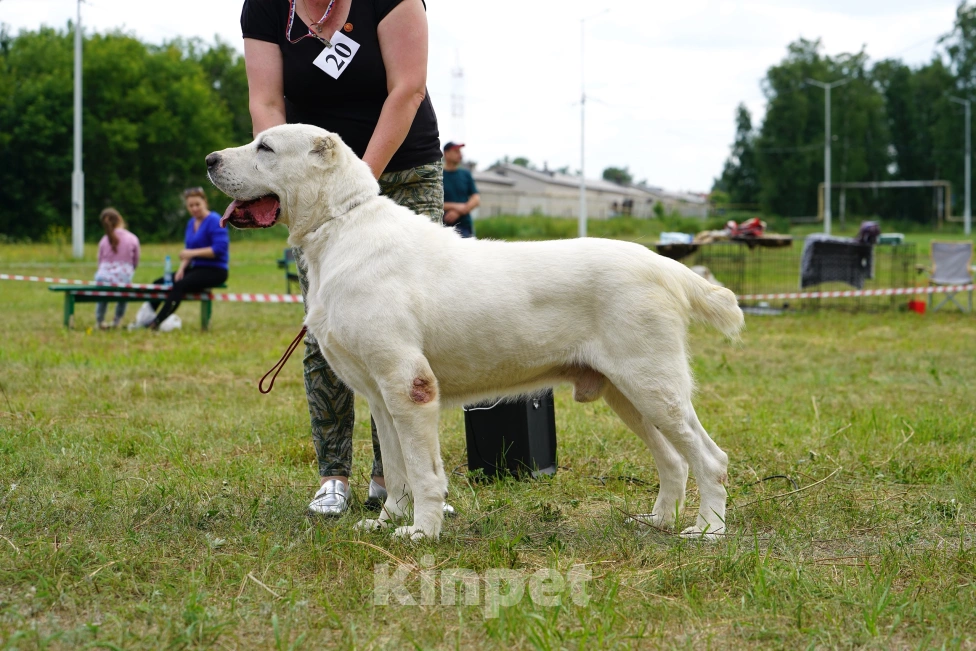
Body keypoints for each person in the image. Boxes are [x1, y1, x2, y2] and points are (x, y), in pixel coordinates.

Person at [241, 0, 451, 516]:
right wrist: (271, 177)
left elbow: (409, 89)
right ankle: (333, 476)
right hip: (309, 184)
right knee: (326, 327)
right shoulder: (266, 8)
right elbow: (266, 104)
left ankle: (397, 484)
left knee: (407, 333)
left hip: (400, 166)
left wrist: (359, 184)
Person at [144, 188, 229, 329]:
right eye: (191, 206)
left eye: (197, 204)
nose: (194, 208)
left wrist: (192, 253)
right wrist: (181, 269)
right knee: (159, 282)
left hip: (215, 270)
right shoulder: (191, 223)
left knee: (180, 285)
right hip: (195, 268)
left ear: (205, 203)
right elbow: (188, 251)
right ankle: (145, 317)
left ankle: (156, 323)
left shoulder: (215, 220)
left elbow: (219, 249)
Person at [94, 208, 140, 329]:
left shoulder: (104, 240)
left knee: (102, 295)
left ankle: (100, 320)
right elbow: (136, 260)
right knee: (124, 293)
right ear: (120, 219)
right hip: (123, 277)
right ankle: (117, 319)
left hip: (103, 277)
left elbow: (100, 261)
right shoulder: (132, 238)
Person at [442, 142, 480, 238]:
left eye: (460, 151)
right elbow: (433, 202)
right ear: (446, 153)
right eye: (456, 151)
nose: (460, 154)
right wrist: (455, 206)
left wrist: (459, 211)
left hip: (464, 227)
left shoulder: (465, 174)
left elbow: (476, 199)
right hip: (442, 227)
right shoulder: (438, 175)